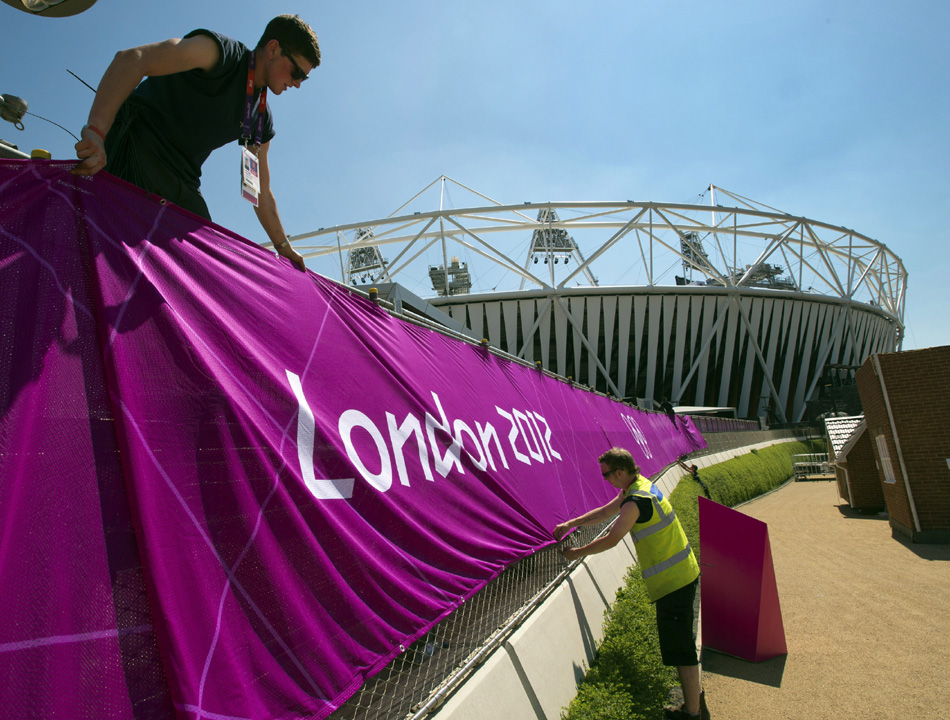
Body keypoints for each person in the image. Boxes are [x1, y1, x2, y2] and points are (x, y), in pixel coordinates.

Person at [72, 14, 319, 272]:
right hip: (137, 144)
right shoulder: (220, 53)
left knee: (205, 265)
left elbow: (258, 190)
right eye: (297, 73)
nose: (298, 84)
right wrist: (96, 132)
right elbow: (133, 58)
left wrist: (283, 246)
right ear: (273, 49)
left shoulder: (260, 118)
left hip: (183, 179)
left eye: (304, 78)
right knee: (123, 257)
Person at [554, 448, 709, 720]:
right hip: (681, 574)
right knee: (680, 644)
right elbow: (606, 511)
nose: (605, 480)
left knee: (681, 649)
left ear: (620, 472)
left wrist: (576, 553)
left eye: (606, 475)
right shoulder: (638, 487)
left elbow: (612, 539)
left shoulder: (635, 502)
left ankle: (693, 714)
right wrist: (572, 523)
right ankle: (695, 703)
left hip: (674, 581)